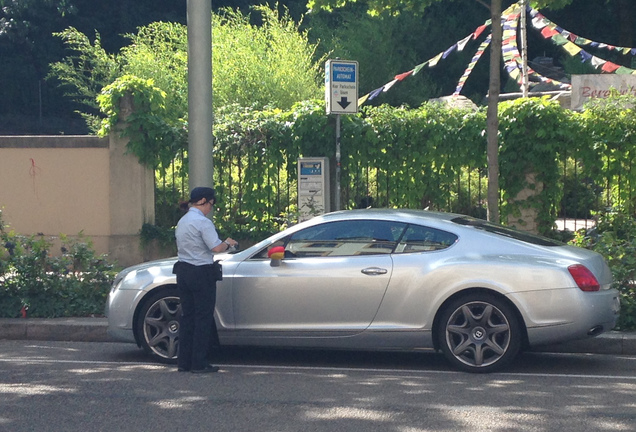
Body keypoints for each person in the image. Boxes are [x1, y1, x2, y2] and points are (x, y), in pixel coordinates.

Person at [173, 187, 238, 374]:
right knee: (203, 318)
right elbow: (216, 248)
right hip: (201, 273)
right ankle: (199, 363)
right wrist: (229, 243)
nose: (211, 207)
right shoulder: (203, 222)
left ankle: (183, 362)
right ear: (203, 201)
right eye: (211, 203)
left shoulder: (183, 221)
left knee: (187, 317)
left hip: (183, 271)